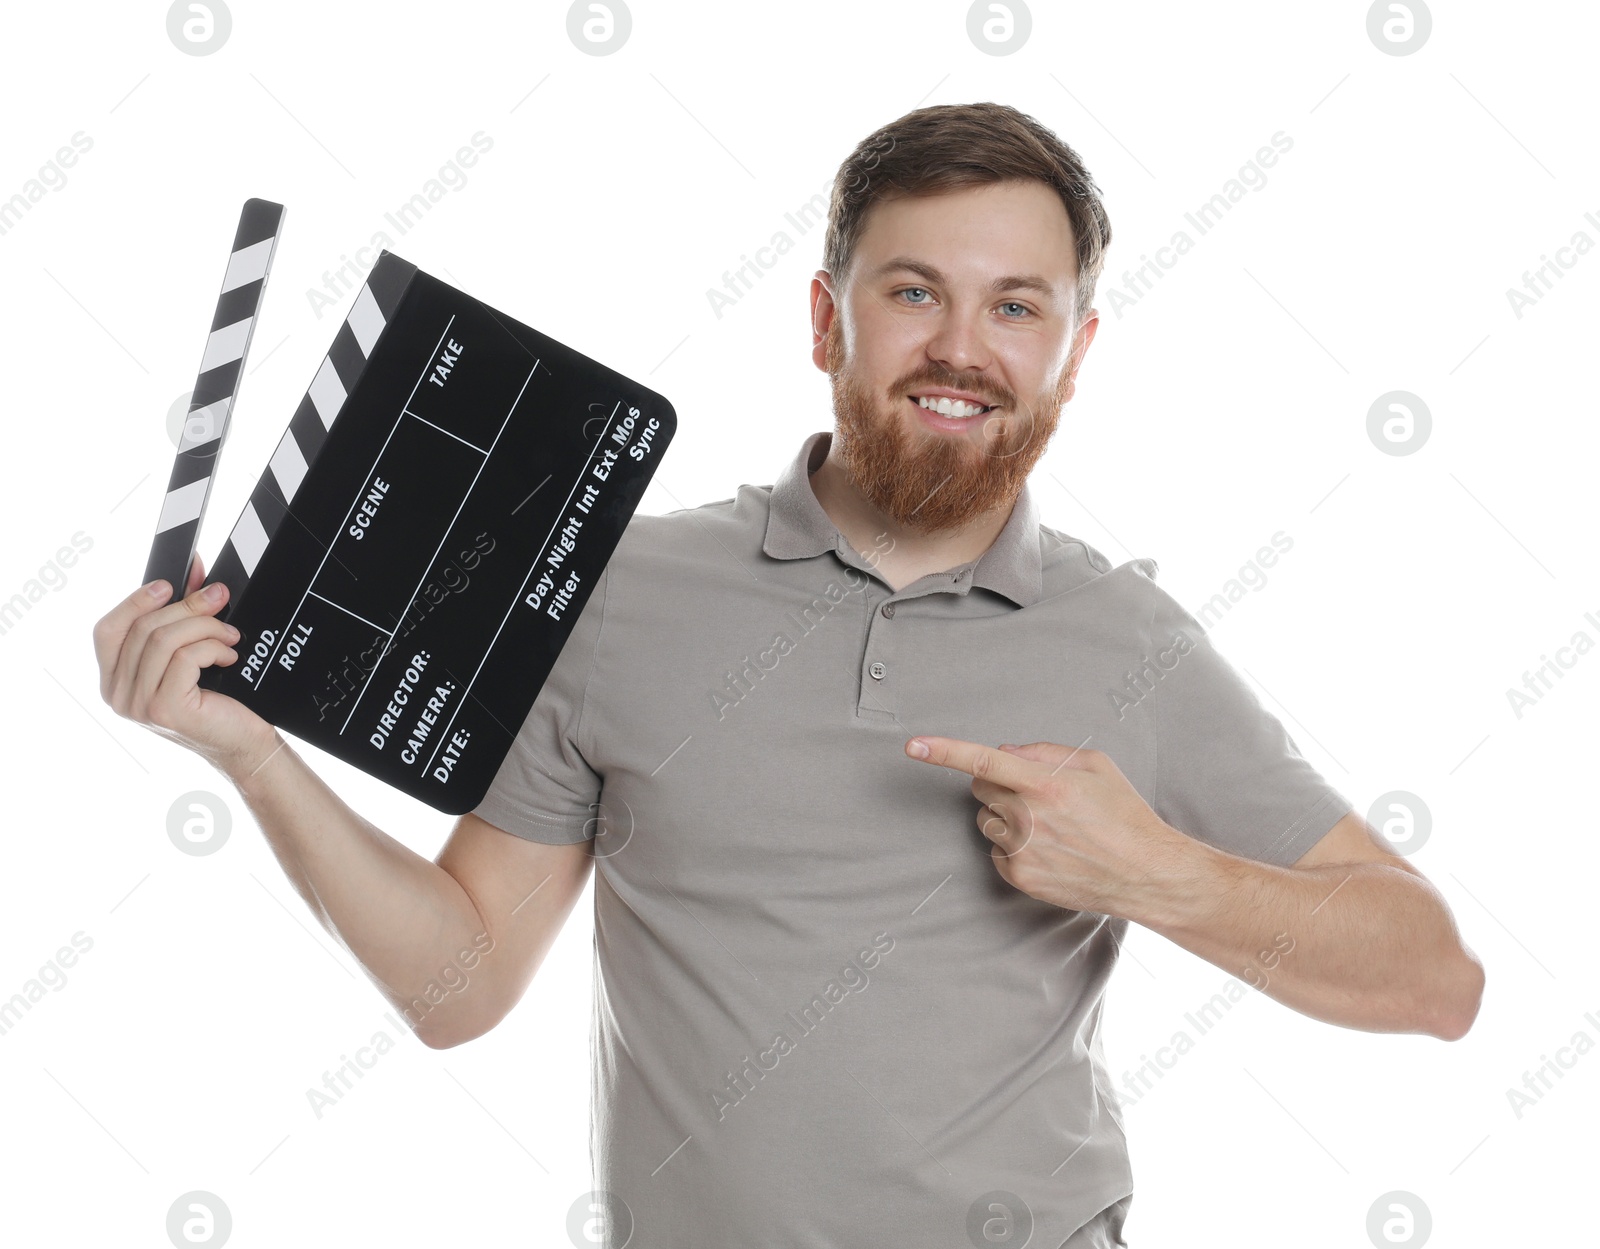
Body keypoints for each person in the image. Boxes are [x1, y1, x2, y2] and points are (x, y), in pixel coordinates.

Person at [94, 101, 1484, 1249]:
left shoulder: (1134, 642)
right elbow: (461, 984)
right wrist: (253, 755)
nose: (961, 346)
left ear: (1074, 353)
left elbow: (1436, 977)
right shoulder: (615, 594)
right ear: (826, 319)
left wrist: (1149, 869)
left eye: (1017, 306)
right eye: (914, 292)